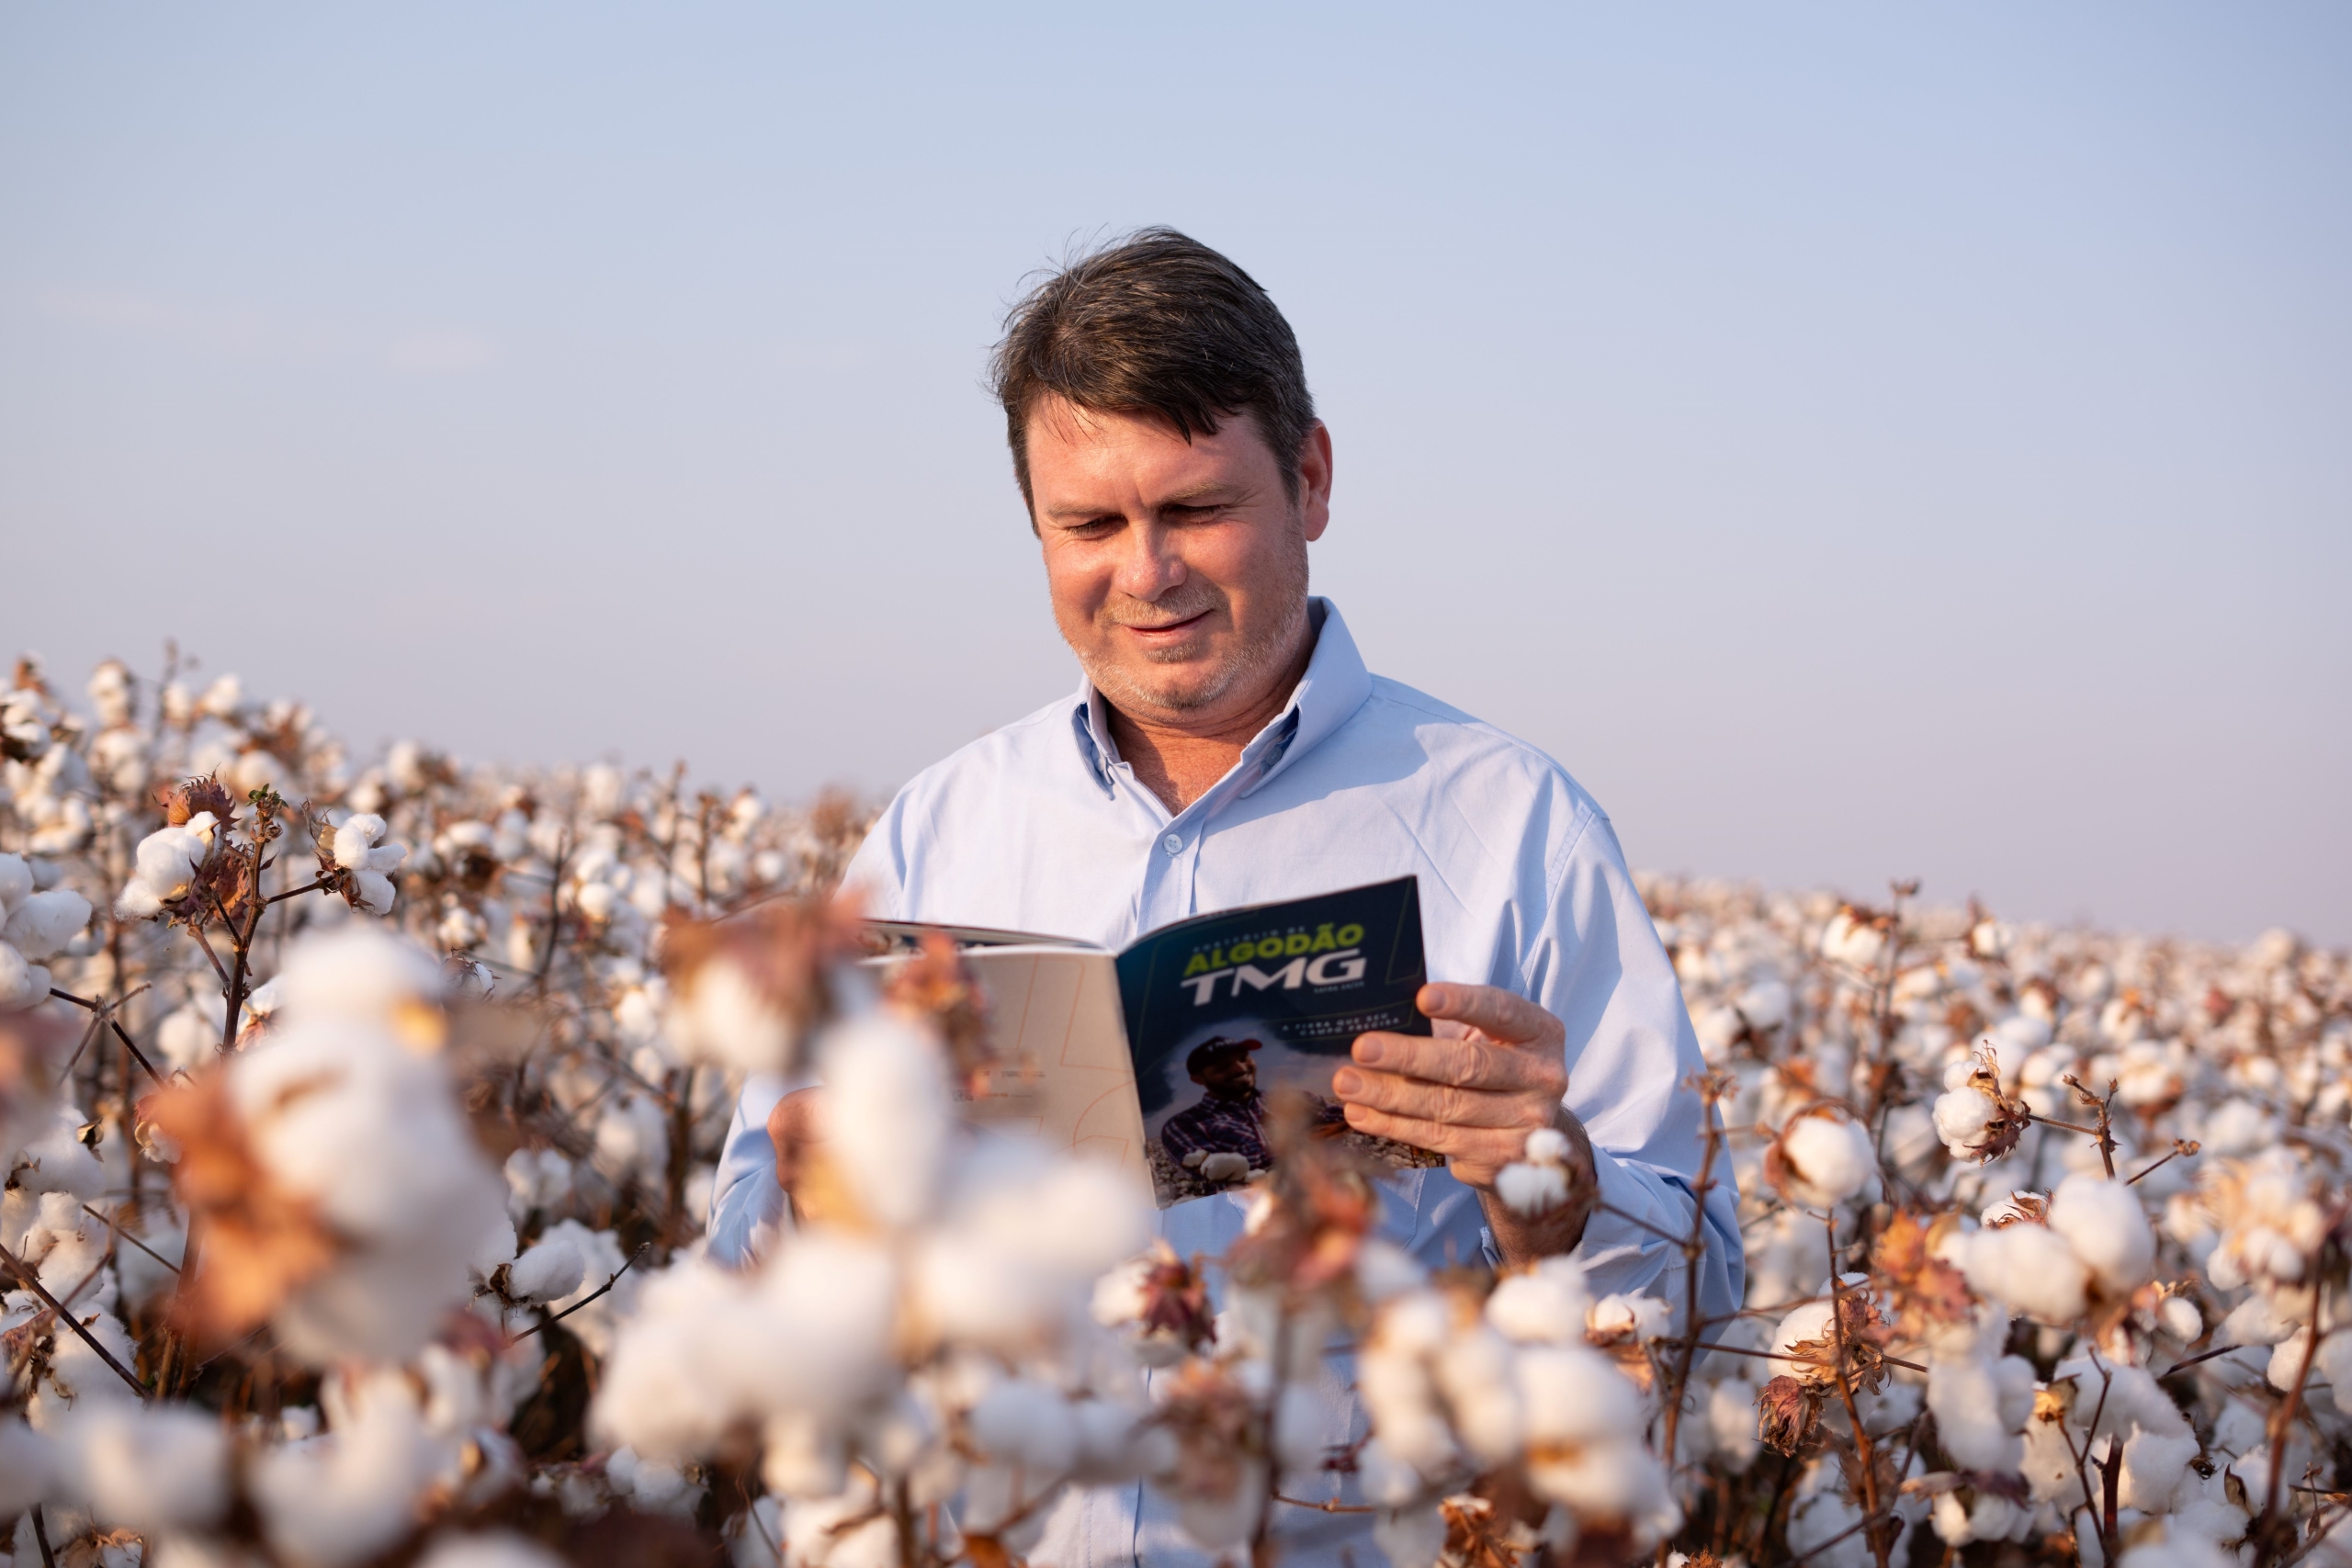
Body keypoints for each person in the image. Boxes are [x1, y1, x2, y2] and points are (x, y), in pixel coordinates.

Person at [708, 228, 1742, 1562]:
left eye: (1195, 507)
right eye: (1090, 523)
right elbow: (742, 1257)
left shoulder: (1515, 827)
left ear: (1310, 478)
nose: (1146, 573)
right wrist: (809, 1196)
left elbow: (1710, 1308)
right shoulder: (941, 827)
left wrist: (1566, 1191)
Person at [1156, 1036, 1269, 1174]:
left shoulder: (1295, 1100)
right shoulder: (1185, 1124)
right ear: (1198, 1080)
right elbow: (1218, 1173)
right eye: (1223, 1067)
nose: (1240, 1069)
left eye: (1244, 1058)